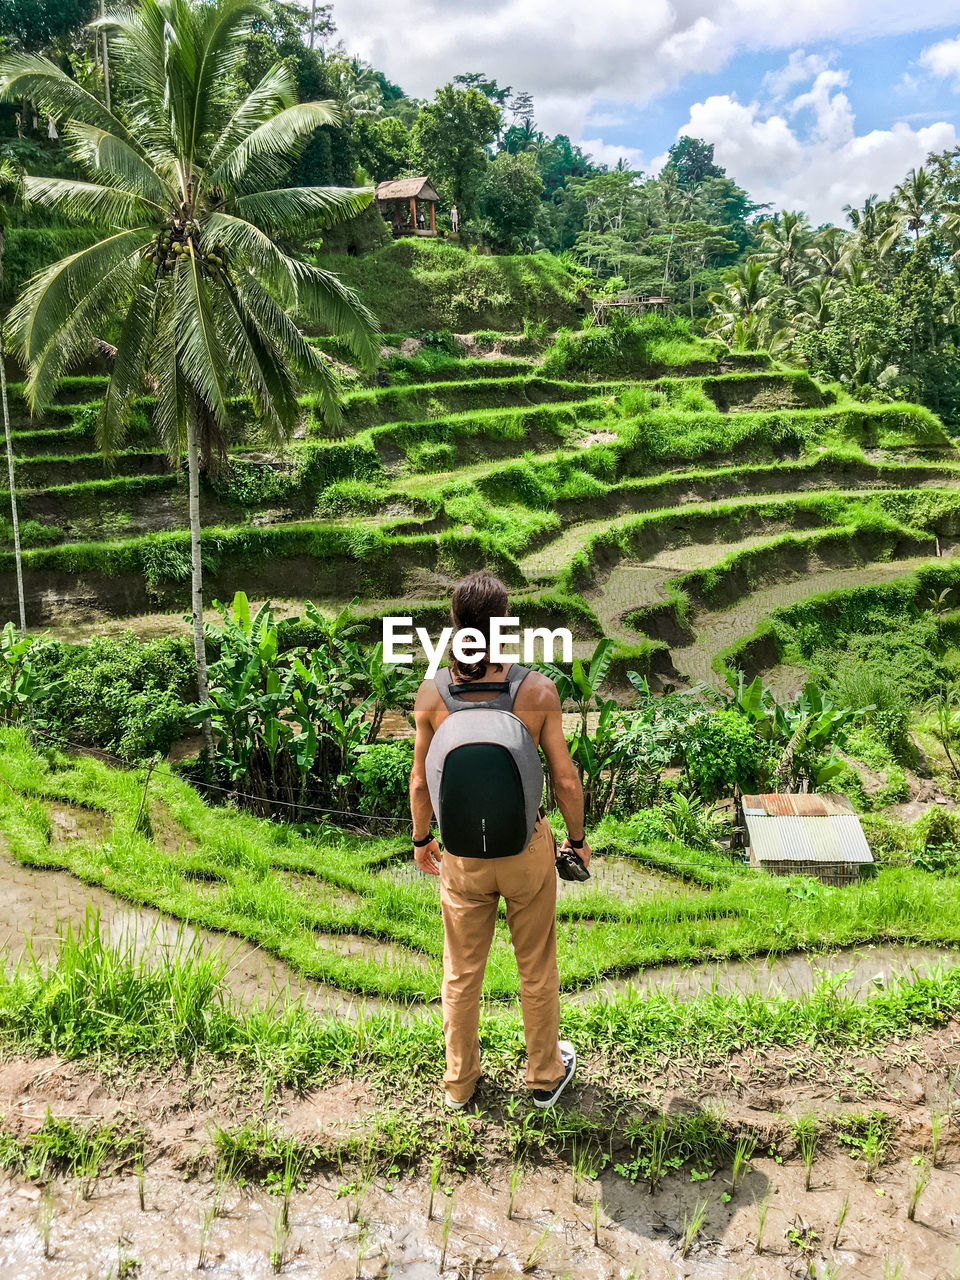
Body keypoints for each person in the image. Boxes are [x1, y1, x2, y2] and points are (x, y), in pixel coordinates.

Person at [409, 570, 592, 1110]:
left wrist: (422, 840)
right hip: (526, 851)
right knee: (535, 964)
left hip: (462, 857)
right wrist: (577, 841)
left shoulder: (432, 693)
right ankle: (543, 1075)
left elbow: (420, 781)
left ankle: (460, 1085)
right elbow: (564, 779)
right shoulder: (535, 690)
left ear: (456, 628)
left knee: (461, 972)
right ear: (504, 627)